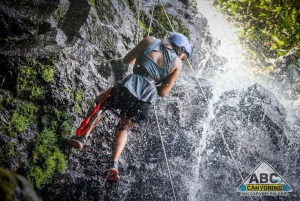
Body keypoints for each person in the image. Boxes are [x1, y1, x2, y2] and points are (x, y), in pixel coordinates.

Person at [67, 32, 192, 181]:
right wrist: (154, 82)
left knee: (101, 104)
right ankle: (114, 165)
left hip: (129, 86)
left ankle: (82, 138)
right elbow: (164, 92)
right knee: (123, 128)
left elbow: (127, 60)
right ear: (181, 51)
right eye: (183, 56)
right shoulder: (177, 64)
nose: (181, 59)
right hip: (146, 100)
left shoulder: (150, 41)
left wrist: (143, 64)